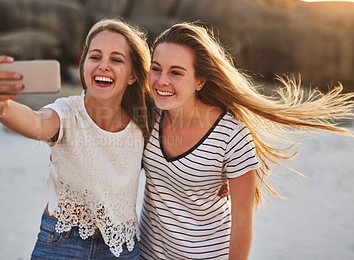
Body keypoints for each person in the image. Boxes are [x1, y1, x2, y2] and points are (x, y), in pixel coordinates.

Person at [139, 22, 354, 259]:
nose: (161, 81)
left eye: (176, 72)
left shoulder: (231, 133)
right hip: (147, 254)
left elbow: (242, 221)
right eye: (156, 68)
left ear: (200, 81)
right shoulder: (149, 114)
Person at [0, 18, 152, 259]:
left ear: (133, 75)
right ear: (84, 66)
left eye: (116, 59)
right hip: (63, 243)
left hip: (122, 247)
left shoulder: (142, 121)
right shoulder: (67, 112)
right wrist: (0, 106)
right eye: (95, 57)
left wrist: (218, 174)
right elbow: (36, 122)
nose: (103, 65)